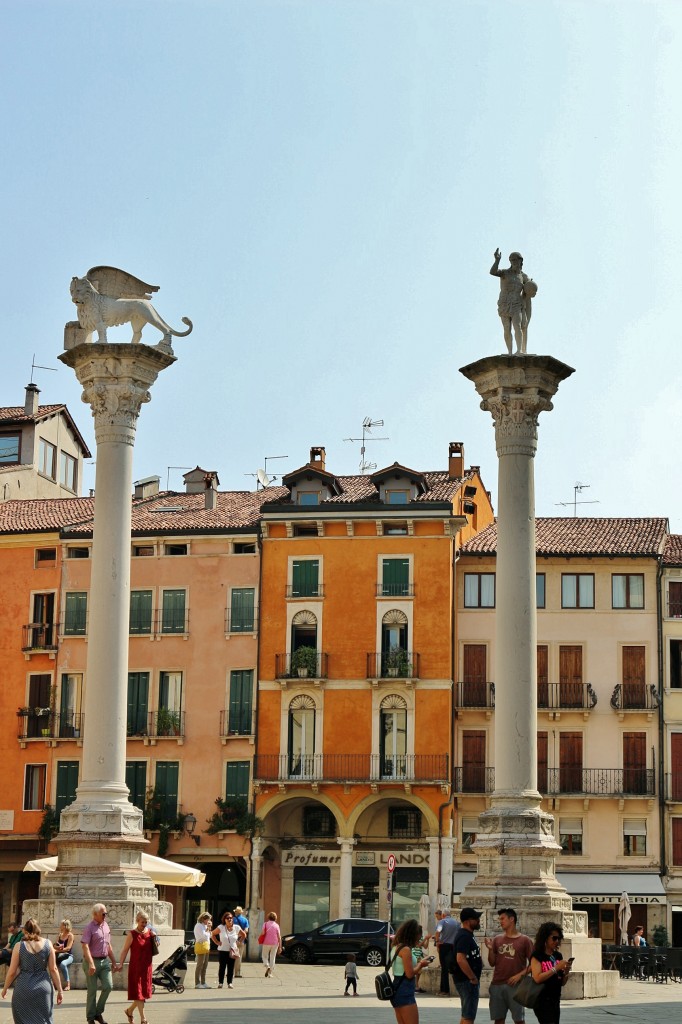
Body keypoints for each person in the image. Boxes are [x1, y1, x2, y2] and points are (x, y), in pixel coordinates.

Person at [1, 917, 63, 1024]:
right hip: (43, 988)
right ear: (38, 929)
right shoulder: (48, 944)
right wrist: (60, 991)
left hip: (23, 988)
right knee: (44, 1020)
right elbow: (53, 969)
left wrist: (5, 988)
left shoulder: (19, 946)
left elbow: (12, 971)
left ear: (24, 930)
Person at [484, 908, 533, 1024]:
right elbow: (492, 963)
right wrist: (490, 950)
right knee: (499, 1020)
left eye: (502, 918)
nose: (500, 921)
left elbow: (535, 965)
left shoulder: (525, 940)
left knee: (519, 1020)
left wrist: (519, 976)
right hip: (497, 985)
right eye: (499, 919)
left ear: (512, 919)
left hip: (516, 987)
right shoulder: (497, 939)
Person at [489, 249, 538, 355]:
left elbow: (529, 288)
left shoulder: (523, 276)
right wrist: (497, 260)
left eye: (516, 260)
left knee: (518, 325)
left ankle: (519, 350)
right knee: (507, 328)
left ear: (521, 261)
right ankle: (510, 352)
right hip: (504, 302)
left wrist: (531, 290)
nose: (514, 262)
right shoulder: (505, 273)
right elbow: (492, 272)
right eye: (511, 260)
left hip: (516, 303)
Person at [81, 902, 117, 1024]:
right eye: (103, 913)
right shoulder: (89, 927)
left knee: (108, 986)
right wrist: (91, 963)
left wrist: (114, 962)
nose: (105, 915)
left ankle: (98, 1012)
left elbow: (108, 945)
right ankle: (91, 1017)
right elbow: (85, 946)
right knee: (92, 990)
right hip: (91, 961)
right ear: (95, 914)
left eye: (106, 913)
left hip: (104, 961)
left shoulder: (106, 925)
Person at [117, 910, 156, 1024]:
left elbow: (156, 947)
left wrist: (154, 938)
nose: (144, 924)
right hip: (136, 968)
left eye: (146, 922)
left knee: (143, 993)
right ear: (137, 921)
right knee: (138, 993)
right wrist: (120, 964)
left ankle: (129, 1011)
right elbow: (124, 950)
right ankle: (143, 1019)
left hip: (147, 967)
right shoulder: (132, 934)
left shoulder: (150, 933)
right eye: (142, 922)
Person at [389, 918, 430, 1024]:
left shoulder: (395, 947)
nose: (419, 939)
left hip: (397, 987)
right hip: (405, 989)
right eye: (418, 937)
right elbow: (410, 974)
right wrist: (421, 964)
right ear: (412, 935)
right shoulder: (406, 949)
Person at [529, 922, 571, 1024]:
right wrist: (556, 968)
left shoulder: (558, 956)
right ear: (545, 938)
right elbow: (537, 978)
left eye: (559, 938)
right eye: (554, 938)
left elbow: (562, 982)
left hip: (555, 999)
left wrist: (565, 972)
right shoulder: (537, 956)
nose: (557, 941)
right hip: (542, 1000)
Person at [452, 908, 483, 1024]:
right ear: (468, 921)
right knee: (469, 1016)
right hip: (467, 981)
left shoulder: (468, 935)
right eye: (476, 919)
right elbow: (460, 959)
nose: (479, 921)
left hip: (467, 980)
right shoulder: (464, 936)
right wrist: (472, 978)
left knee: (466, 1014)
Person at [211, 910, 246, 989]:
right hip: (222, 950)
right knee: (222, 967)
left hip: (232, 950)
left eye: (231, 918)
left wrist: (239, 942)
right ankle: (220, 982)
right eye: (227, 918)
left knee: (231, 967)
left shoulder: (236, 927)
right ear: (224, 919)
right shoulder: (221, 927)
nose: (229, 919)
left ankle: (230, 983)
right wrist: (216, 942)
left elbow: (244, 934)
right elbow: (212, 934)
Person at [435, 909, 460, 997]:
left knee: (444, 968)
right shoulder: (457, 923)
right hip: (453, 947)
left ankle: (445, 990)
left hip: (444, 946)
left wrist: (437, 941)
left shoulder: (442, 922)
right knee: (454, 967)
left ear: (443, 915)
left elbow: (438, 931)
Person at [53, 919, 75, 992]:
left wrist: (57, 950)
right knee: (52, 964)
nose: (60, 926)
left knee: (63, 964)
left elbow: (68, 948)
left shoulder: (70, 936)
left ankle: (68, 984)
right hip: (60, 955)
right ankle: (54, 983)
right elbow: (55, 945)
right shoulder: (60, 935)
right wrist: (57, 947)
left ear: (65, 926)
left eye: (61, 925)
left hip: (68, 956)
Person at [193, 913, 212, 989]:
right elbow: (204, 936)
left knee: (205, 965)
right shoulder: (198, 926)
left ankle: (203, 982)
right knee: (200, 965)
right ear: (203, 919)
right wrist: (208, 930)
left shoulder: (204, 926)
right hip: (201, 946)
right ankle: (197, 983)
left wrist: (208, 929)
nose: (208, 921)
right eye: (207, 919)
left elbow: (210, 935)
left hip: (206, 946)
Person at [260, 912, 281, 978]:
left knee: (264, 956)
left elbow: (263, 933)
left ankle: (267, 965)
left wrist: (260, 936)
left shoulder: (265, 924)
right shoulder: (277, 925)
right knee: (272, 957)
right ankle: (270, 973)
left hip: (266, 942)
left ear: (268, 917)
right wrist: (280, 946)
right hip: (275, 943)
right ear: (275, 918)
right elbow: (279, 936)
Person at [233, 907, 249, 977]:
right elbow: (246, 930)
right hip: (241, 940)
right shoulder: (245, 920)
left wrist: (236, 935)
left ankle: (231, 972)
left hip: (233, 940)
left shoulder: (232, 919)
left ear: (236, 912)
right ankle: (237, 973)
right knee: (239, 957)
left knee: (232, 956)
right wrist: (241, 935)